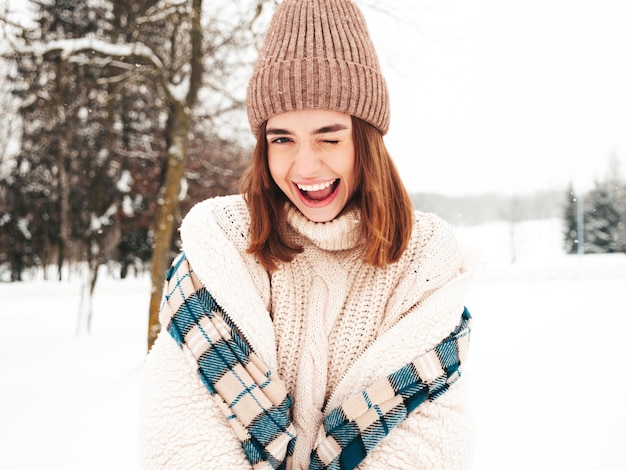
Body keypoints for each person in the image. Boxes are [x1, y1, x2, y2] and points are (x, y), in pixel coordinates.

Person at [138, 0, 478, 468]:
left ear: (367, 139)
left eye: (328, 137)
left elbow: (425, 446)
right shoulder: (221, 248)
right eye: (282, 139)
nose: (304, 166)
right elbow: (182, 440)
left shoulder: (425, 265)